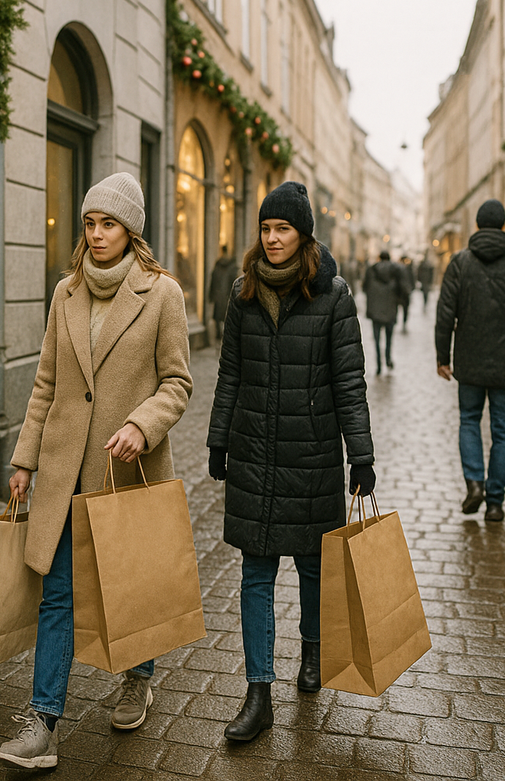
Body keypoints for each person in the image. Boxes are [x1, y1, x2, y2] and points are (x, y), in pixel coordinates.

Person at [0, 172, 193, 768]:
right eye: (90, 223)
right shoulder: (66, 292)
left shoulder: (162, 294)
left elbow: (177, 382)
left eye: (109, 223)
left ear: (131, 230)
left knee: (130, 584)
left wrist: (142, 424)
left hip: (123, 469)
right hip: (64, 471)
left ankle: (138, 677)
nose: (98, 233)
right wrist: (25, 459)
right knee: (57, 592)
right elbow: (47, 383)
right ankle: (43, 722)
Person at [207, 181, 375, 743]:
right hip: (254, 451)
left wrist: (362, 457)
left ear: (304, 235)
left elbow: (349, 382)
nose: (273, 238)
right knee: (255, 573)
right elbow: (230, 373)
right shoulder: (244, 292)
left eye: (283, 229)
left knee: (310, 565)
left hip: (312, 455)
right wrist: (218, 440)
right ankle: (258, 694)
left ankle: (312, 649)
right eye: (266, 228)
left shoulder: (333, 296)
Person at [435, 199, 505, 522]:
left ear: (477, 226)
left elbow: (445, 314)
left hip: (469, 361)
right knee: (503, 432)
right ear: (504, 226)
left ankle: (474, 484)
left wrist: (443, 357)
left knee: (469, 420)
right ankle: (495, 502)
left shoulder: (460, 262)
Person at [362, 250, 405, 374]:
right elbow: (402, 289)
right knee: (389, 338)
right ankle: (388, 359)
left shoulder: (371, 270)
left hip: (375, 310)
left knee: (376, 340)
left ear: (379, 258)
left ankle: (379, 364)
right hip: (390, 309)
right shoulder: (395, 271)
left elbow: (364, 288)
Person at [210, 245, 240, 341]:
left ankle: (219, 338)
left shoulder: (218, 265)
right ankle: (223, 337)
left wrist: (211, 296)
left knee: (219, 319)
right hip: (227, 297)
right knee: (227, 319)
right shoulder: (232, 266)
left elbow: (213, 282)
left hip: (219, 297)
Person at [399, 256, 416, 331]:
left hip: (404, 292)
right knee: (405, 309)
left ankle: (404, 322)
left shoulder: (407, 269)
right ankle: (404, 322)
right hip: (403, 292)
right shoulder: (408, 269)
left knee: (405, 309)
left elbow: (412, 280)